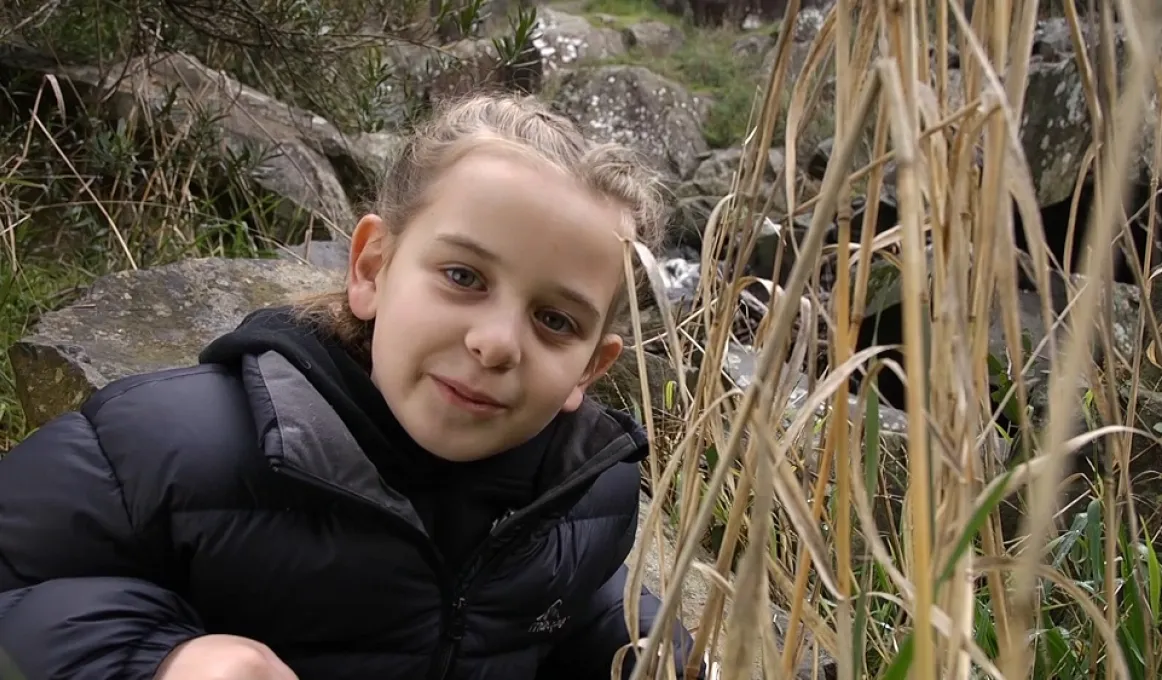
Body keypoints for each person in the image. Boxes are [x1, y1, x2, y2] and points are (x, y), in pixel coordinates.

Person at [0, 92, 707, 680]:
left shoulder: (587, 495)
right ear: (372, 268)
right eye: (464, 277)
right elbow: (20, 580)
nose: (496, 343)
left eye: (555, 320)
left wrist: (662, 655)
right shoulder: (158, 448)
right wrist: (160, 660)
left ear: (592, 366)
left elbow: (581, 606)